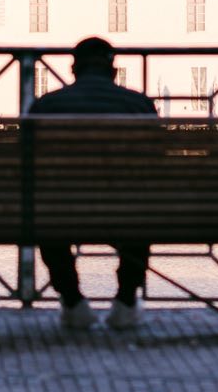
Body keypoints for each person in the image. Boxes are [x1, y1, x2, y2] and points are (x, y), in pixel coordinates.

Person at [28, 35, 157, 332]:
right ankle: (125, 302)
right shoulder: (139, 105)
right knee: (141, 213)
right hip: (127, 213)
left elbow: (30, 167)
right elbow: (153, 166)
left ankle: (72, 302)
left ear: (73, 70)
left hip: (61, 213)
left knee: (48, 215)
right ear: (113, 71)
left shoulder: (46, 106)